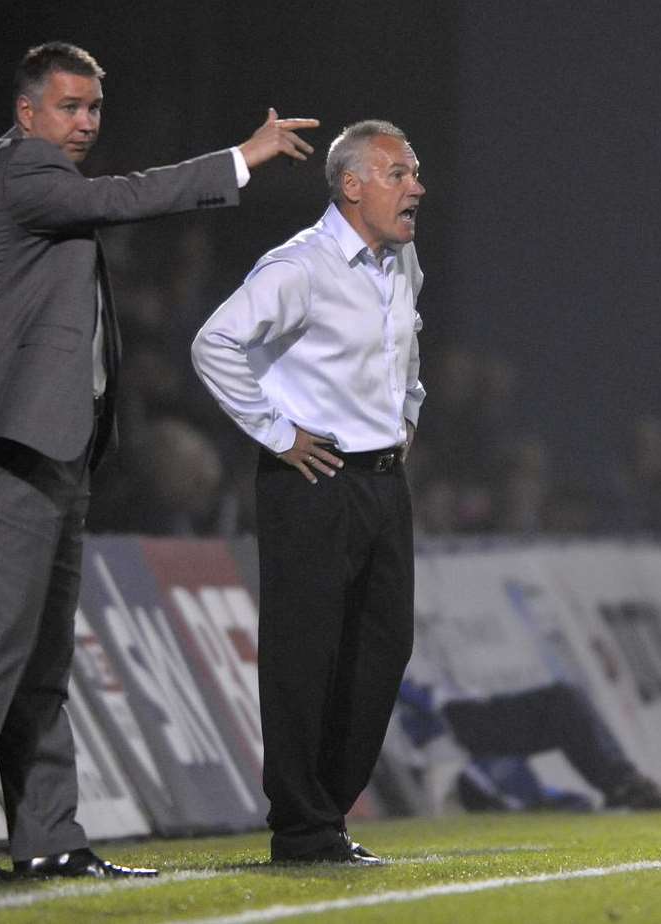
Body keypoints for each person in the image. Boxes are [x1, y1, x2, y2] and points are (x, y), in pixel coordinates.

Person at [0, 41, 319, 884]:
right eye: (68, 106)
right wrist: (242, 159)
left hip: (57, 448)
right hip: (9, 447)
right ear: (27, 114)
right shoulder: (21, 171)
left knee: (43, 657)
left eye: (93, 107)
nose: (85, 121)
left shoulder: (45, 182)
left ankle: (47, 835)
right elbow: (130, 197)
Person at [192, 119, 426, 864]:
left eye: (415, 172)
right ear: (351, 185)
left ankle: (326, 811)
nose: (415, 186)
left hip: (383, 484)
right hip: (314, 479)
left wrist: (408, 413)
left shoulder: (402, 258)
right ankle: (301, 825)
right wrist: (276, 432)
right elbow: (214, 342)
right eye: (398, 173)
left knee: (382, 649)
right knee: (305, 655)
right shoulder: (300, 265)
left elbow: (406, 346)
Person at [396, 679, 661, 813]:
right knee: (562, 700)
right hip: (453, 724)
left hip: (456, 718)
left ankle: (623, 783)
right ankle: (623, 784)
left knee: (565, 700)